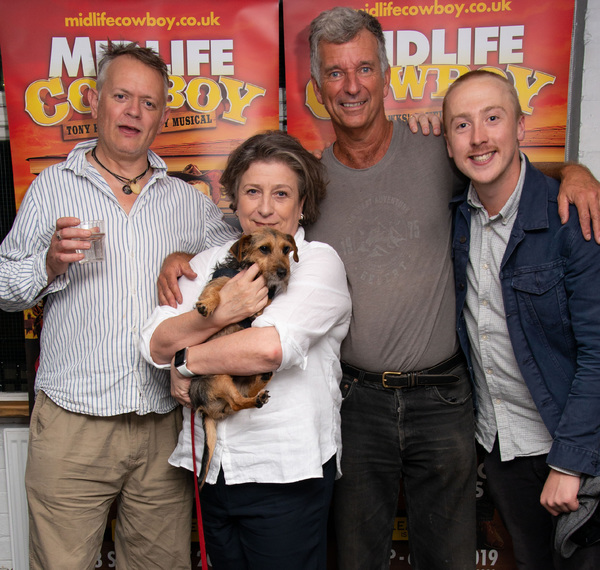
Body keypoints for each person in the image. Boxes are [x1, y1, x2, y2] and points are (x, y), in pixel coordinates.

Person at [157, 8, 600, 570]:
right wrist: (181, 259)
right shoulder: (309, 181)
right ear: (317, 86)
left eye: (363, 68)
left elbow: (503, 168)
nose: (351, 86)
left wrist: (577, 173)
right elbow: (252, 230)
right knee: (357, 558)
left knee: (451, 557)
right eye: (335, 73)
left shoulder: (438, 152)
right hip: (354, 401)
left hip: (443, 398)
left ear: (385, 75)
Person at [0, 42, 240, 570]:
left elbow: (239, 261)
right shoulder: (50, 188)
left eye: (149, 102)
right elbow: (4, 285)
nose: (134, 111)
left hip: (162, 425)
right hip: (71, 428)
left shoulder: (187, 202)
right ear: (95, 101)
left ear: (161, 115)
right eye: (122, 96)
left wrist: (186, 255)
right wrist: (48, 265)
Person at [140, 130, 352, 570]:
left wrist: (186, 361)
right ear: (234, 199)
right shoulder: (203, 263)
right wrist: (218, 315)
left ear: (301, 203)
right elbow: (155, 343)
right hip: (213, 472)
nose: (265, 207)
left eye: (281, 193)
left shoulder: (317, 262)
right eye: (252, 191)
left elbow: (267, 349)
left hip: (284, 475)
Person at [447, 69, 600, 570]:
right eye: (461, 125)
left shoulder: (571, 217)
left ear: (520, 126)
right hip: (504, 448)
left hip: (574, 444)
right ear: (448, 143)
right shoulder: (456, 219)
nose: (479, 137)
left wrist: (570, 462)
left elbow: (599, 354)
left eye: (493, 118)